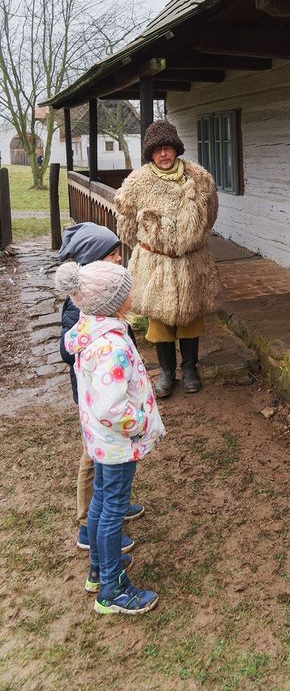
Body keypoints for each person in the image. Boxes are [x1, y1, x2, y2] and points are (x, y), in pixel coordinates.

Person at [55, 259, 165, 615]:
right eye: (128, 289)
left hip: (100, 441)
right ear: (115, 301)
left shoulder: (91, 332)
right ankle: (112, 590)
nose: (133, 294)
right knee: (113, 510)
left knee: (102, 504)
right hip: (118, 444)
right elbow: (113, 407)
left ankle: (99, 571)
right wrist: (141, 423)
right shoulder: (111, 347)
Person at [115, 121, 219, 397]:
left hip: (190, 262)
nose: (164, 154)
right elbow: (125, 227)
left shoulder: (199, 178)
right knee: (159, 320)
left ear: (176, 150)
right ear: (151, 153)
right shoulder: (137, 182)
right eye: (158, 150)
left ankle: (190, 370)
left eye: (168, 148)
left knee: (190, 317)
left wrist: (189, 240)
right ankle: (166, 373)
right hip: (155, 264)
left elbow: (210, 216)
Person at [58, 222, 143, 552]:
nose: (119, 259)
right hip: (95, 398)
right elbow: (67, 349)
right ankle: (85, 524)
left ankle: (114, 505)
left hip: (108, 391)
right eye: (112, 255)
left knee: (109, 459)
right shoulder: (77, 305)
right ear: (91, 264)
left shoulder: (104, 298)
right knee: (93, 458)